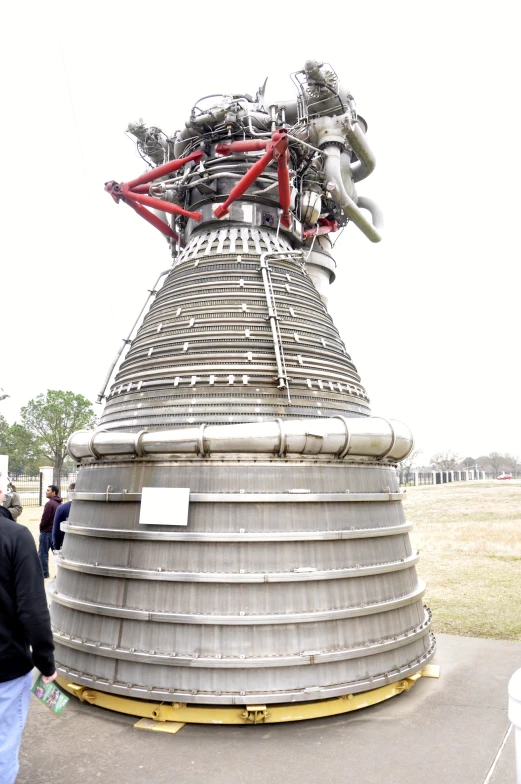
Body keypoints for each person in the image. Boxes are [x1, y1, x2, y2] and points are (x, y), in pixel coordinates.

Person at [0, 488, 56, 784]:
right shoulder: (16, 536)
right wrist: (45, 661)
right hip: (6, 667)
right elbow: (33, 610)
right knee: (2, 746)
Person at [38, 485, 62, 579]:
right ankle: (62, 573)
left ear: (54, 492)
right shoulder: (59, 504)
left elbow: (45, 519)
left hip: (47, 532)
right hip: (55, 532)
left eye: (48, 490)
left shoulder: (50, 504)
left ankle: (44, 573)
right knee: (57, 554)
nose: (46, 492)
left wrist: (41, 528)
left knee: (42, 554)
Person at [52, 483, 75, 551]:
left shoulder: (62, 508)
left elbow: (56, 530)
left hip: (66, 544)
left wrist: (56, 546)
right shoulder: (88, 508)